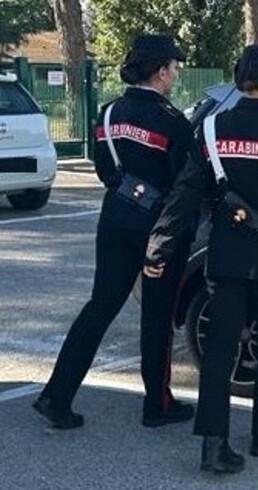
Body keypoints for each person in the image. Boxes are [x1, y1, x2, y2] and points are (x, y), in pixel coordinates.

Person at [143, 44, 258, 474]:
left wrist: (161, 244)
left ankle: (213, 445)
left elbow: (186, 194)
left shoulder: (210, 130)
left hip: (226, 255)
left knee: (220, 351)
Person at [33, 34, 196, 430]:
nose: (175, 74)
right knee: (157, 318)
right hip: (157, 230)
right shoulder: (172, 121)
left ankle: (56, 396)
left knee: (100, 307)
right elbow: (185, 184)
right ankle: (157, 405)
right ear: (160, 71)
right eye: (173, 67)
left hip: (115, 221)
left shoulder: (108, 114)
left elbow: (106, 172)